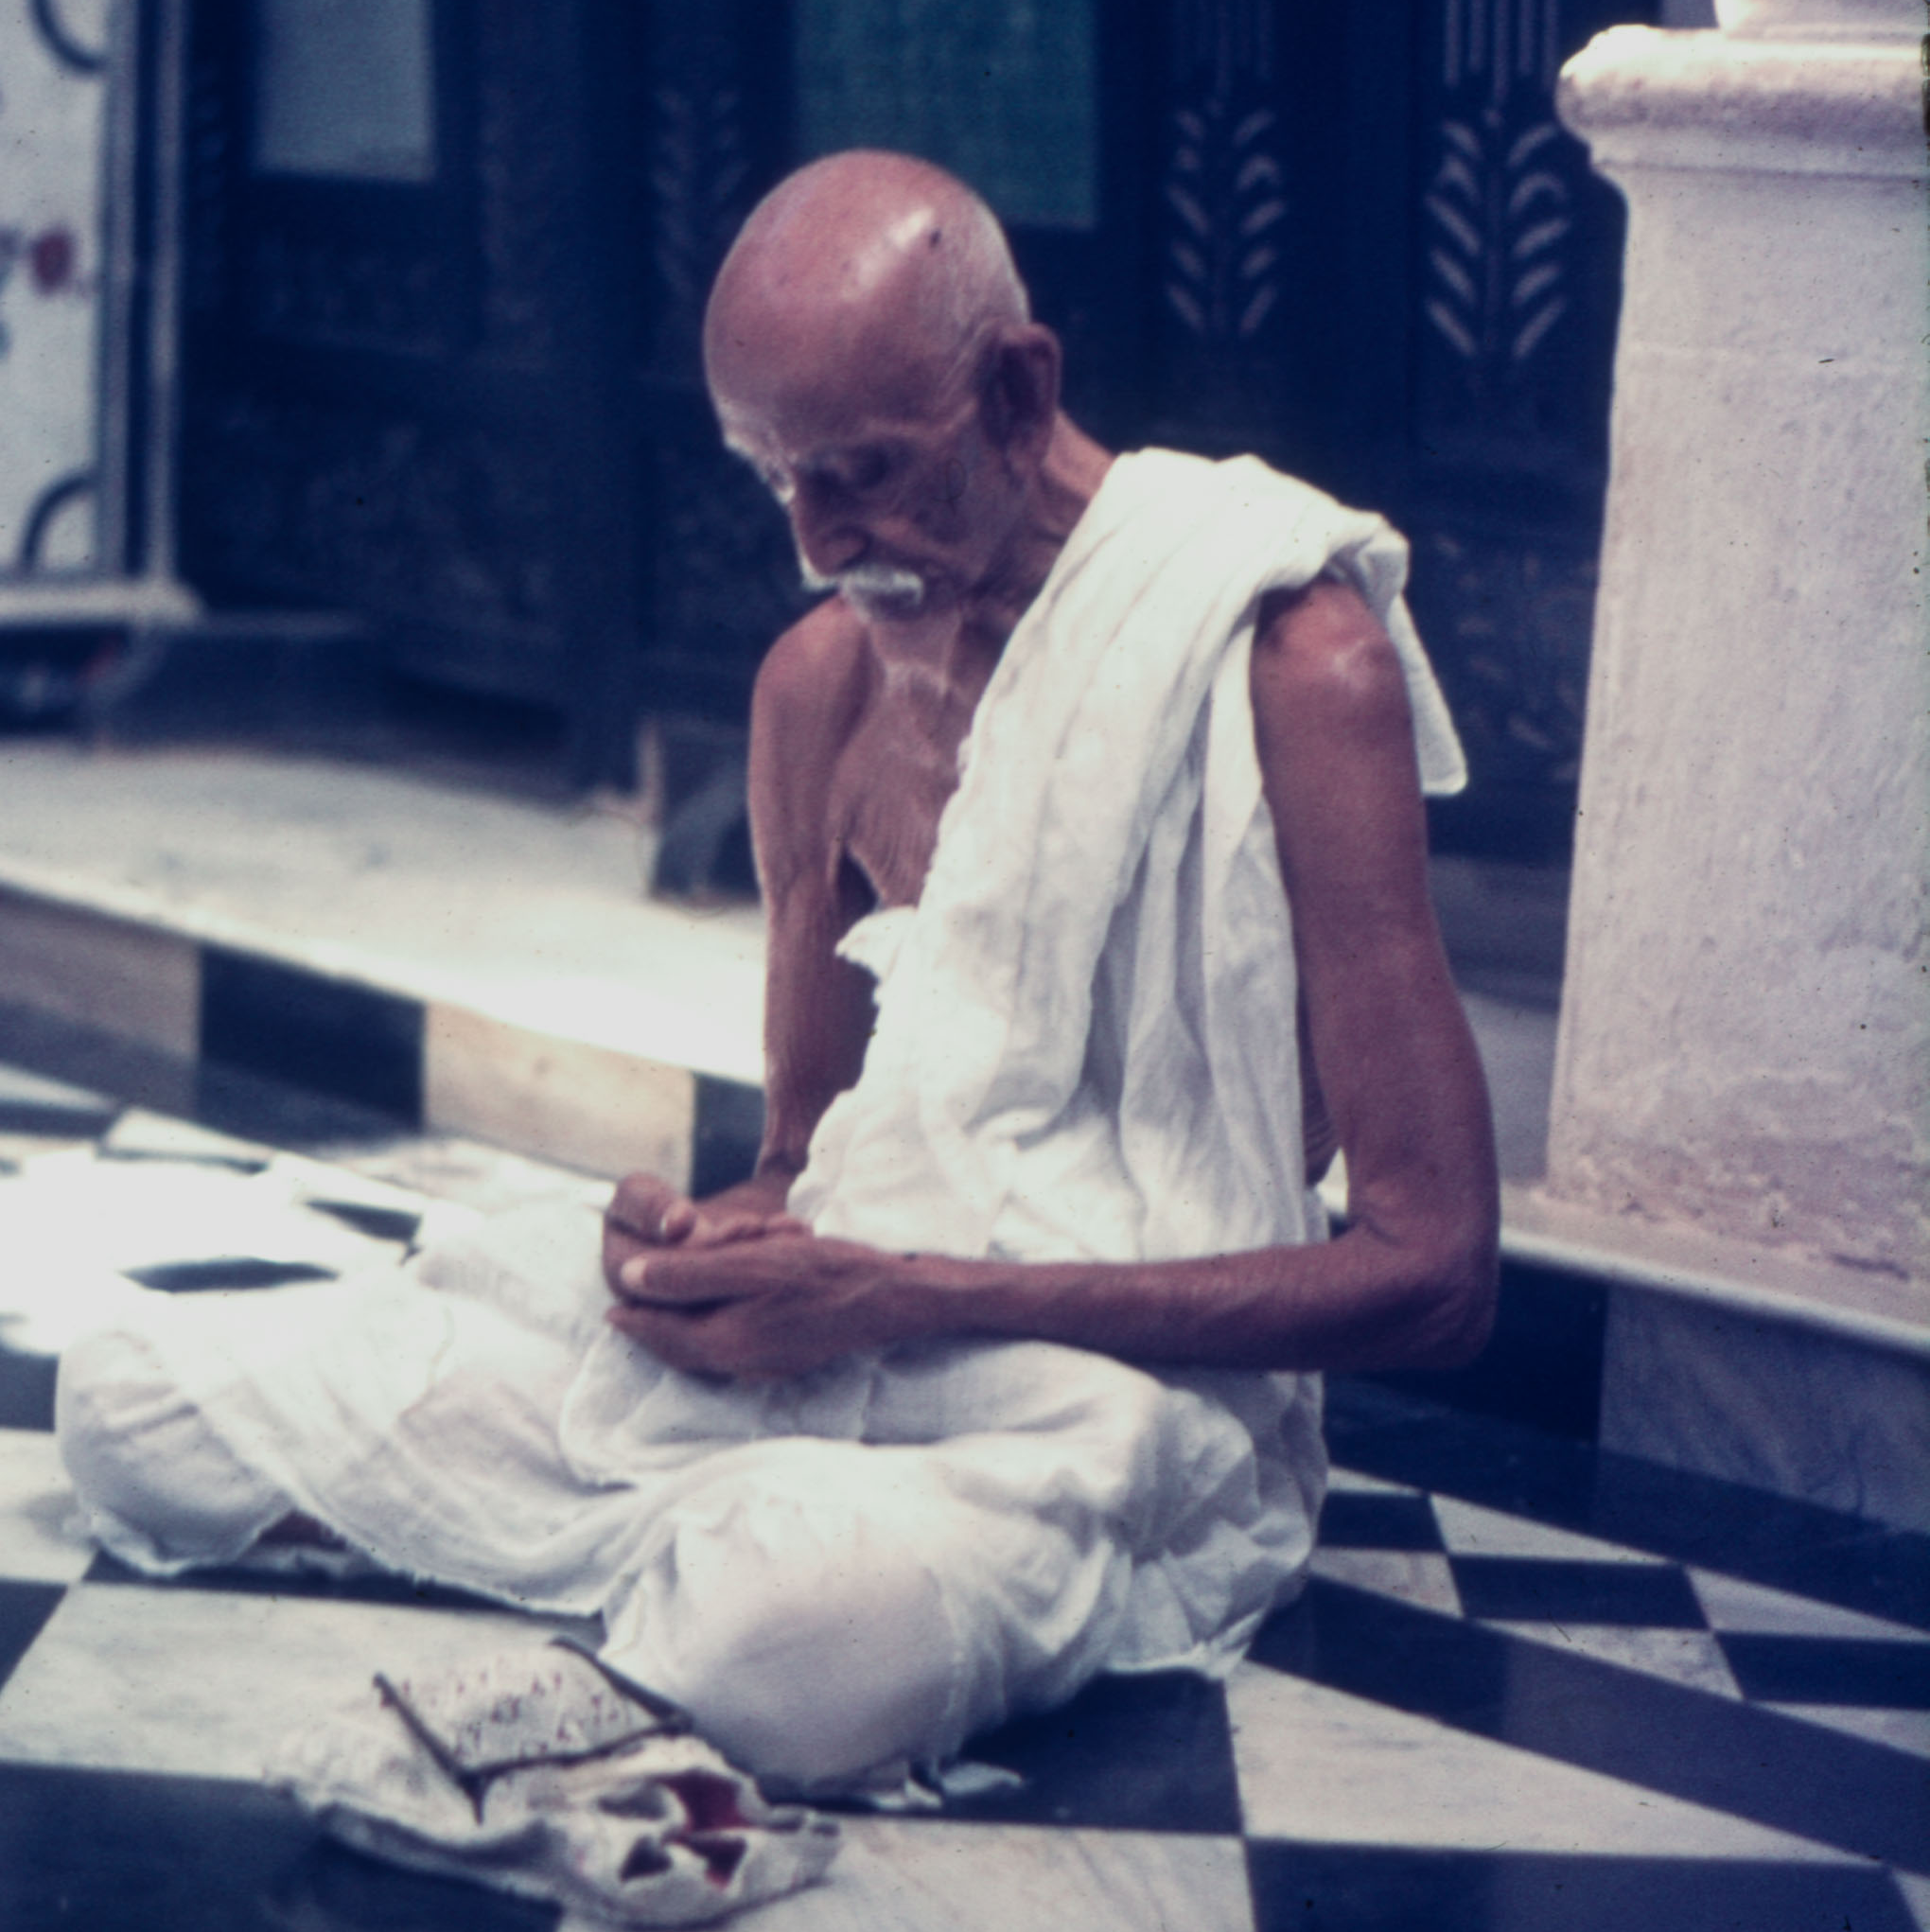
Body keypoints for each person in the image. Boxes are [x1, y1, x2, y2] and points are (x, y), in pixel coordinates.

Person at [58, 152, 1498, 1794]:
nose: (821, 543)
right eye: (776, 483)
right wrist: (711, 1253)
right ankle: (688, 1545)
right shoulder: (818, 688)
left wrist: (909, 1296)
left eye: (868, 474)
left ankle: (700, 1564)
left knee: (789, 1641)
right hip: (833, 1351)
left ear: (1020, 395)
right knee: (135, 1405)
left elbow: (1436, 1272)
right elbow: (800, 1166)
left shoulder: (1293, 667)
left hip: (1104, 1400)